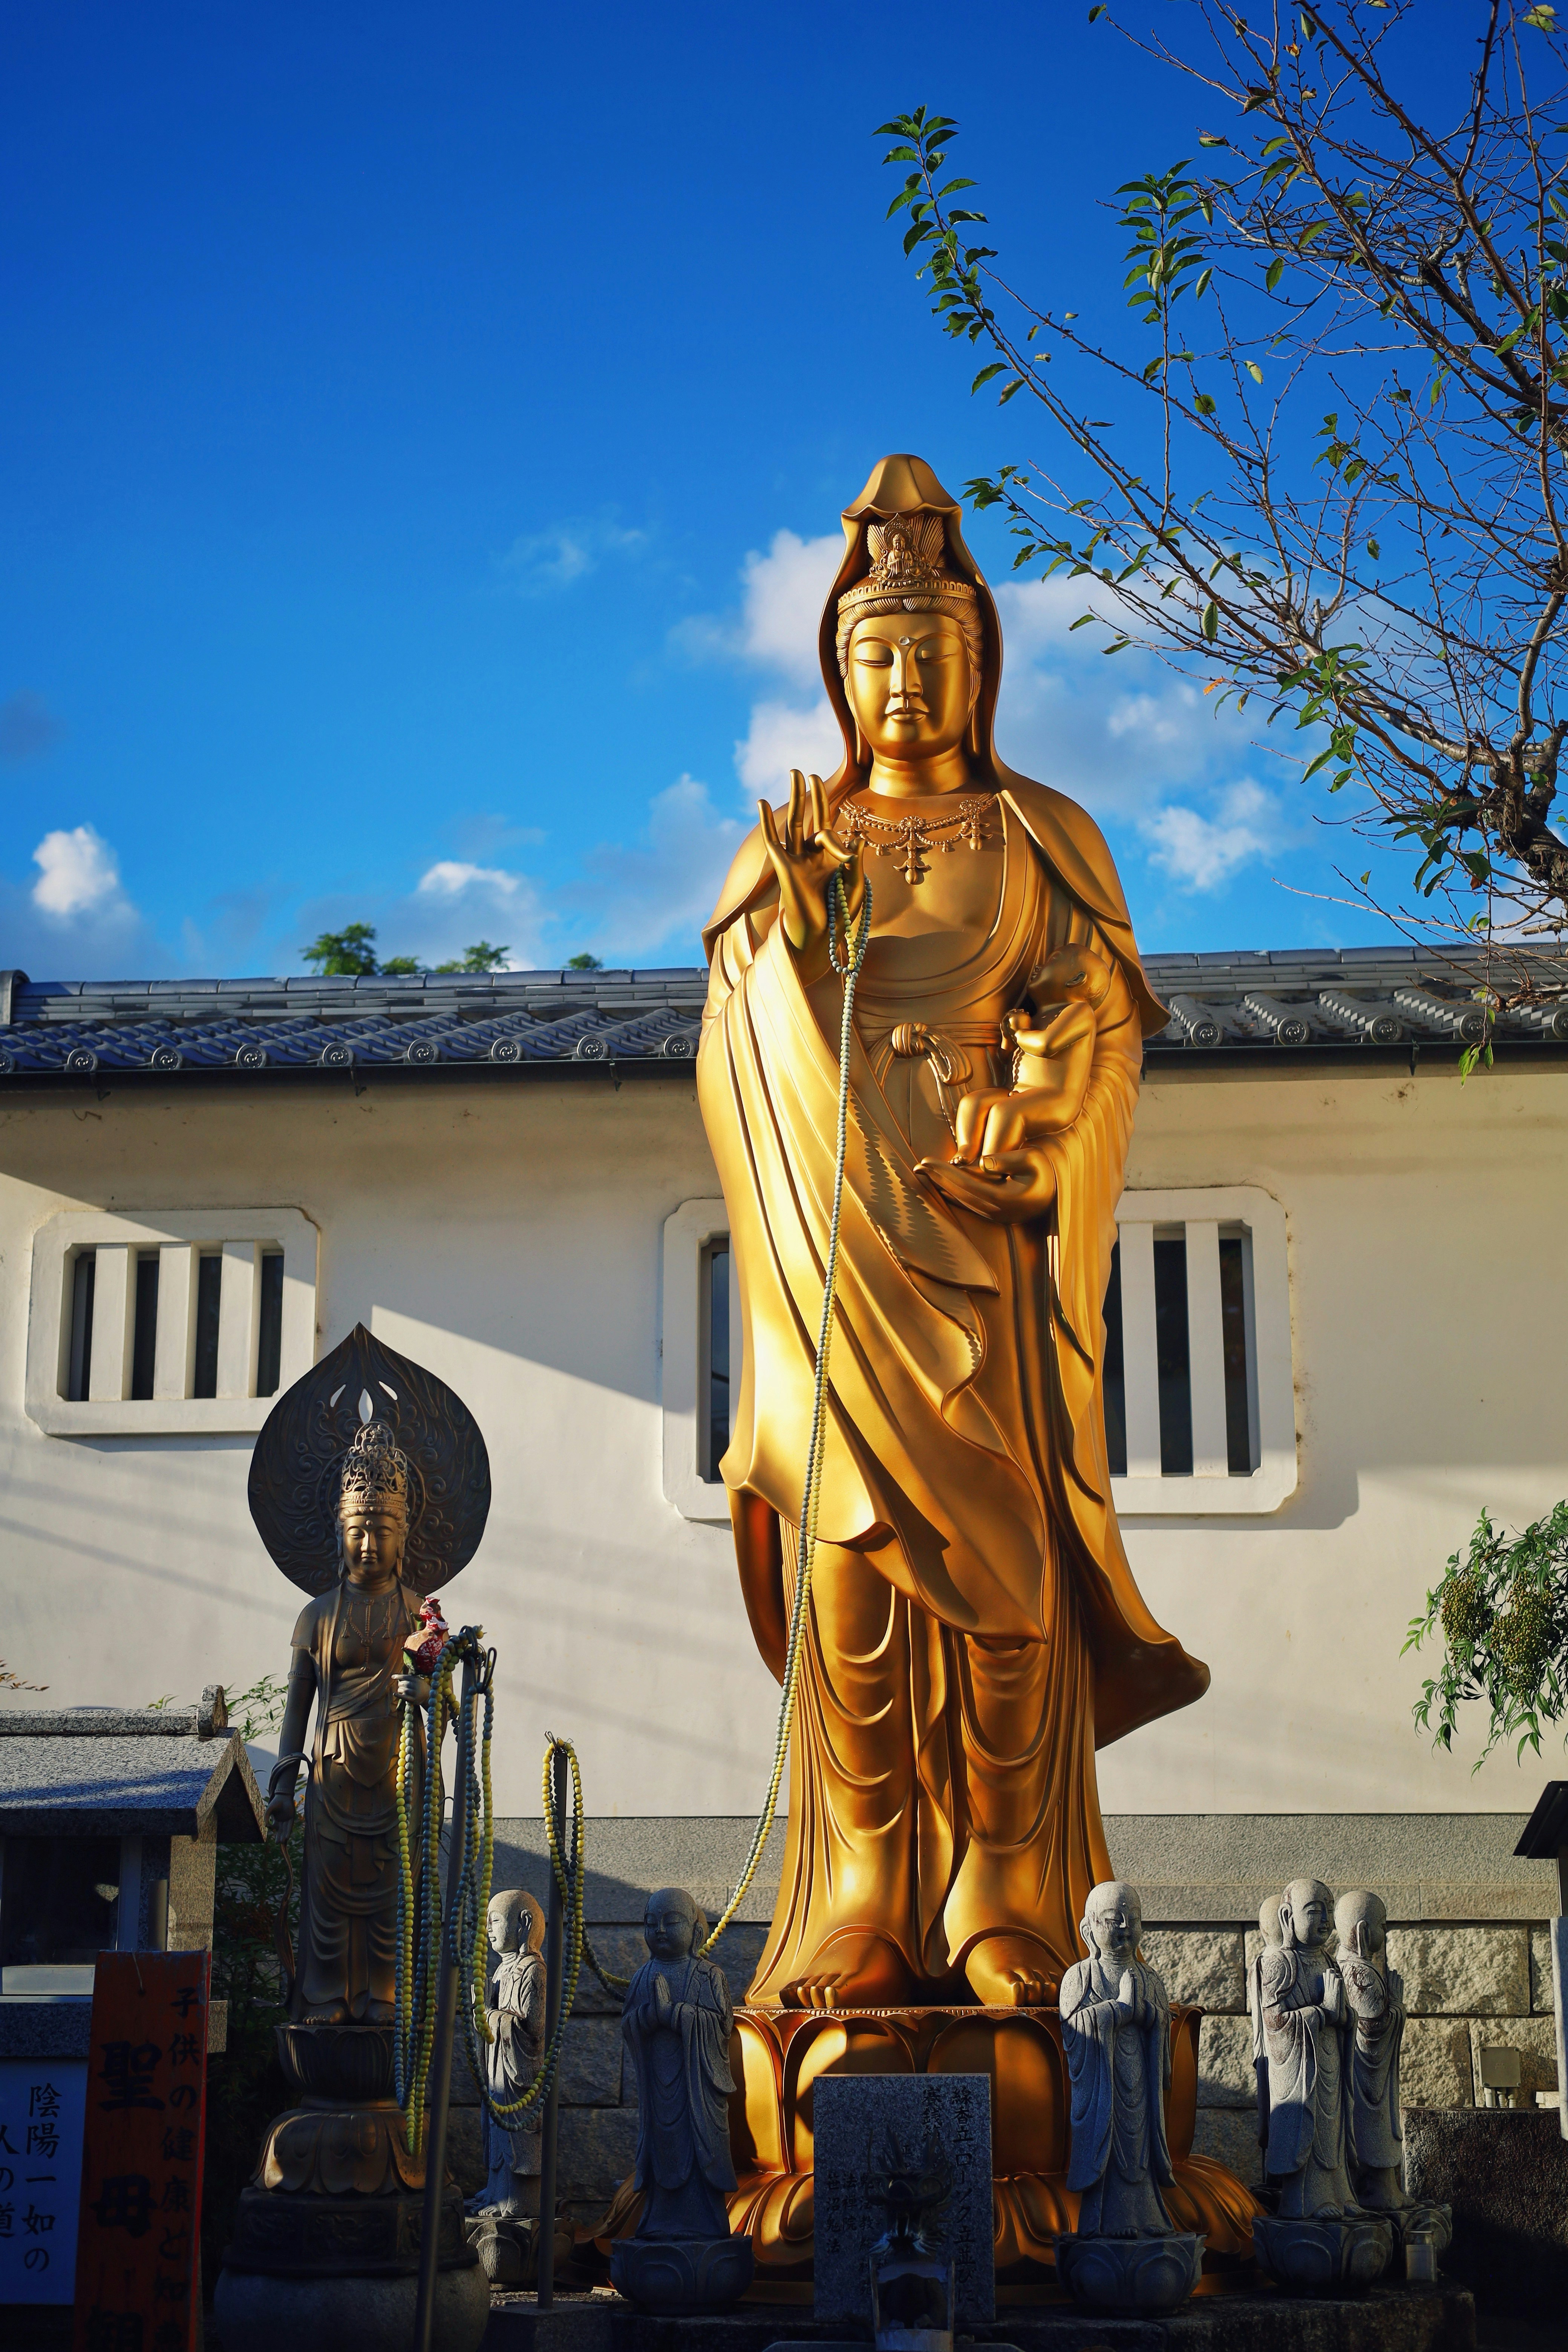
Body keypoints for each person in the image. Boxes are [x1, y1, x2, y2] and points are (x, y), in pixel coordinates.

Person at [698, 455, 1207, 2009]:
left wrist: (1044, 1117)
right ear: (837, 675)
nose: (904, 678)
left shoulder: (1038, 833)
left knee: (1001, 1573)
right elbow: (732, 1045)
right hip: (835, 1279)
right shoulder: (789, 845)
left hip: (984, 1262)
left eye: (932, 650)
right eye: (875, 654)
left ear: (976, 664)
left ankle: (1003, 1885)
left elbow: (1104, 1017)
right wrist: (784, 943)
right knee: (845, 1568)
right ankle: (860, 1881)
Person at [264, 1420, 428, 2024]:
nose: (368, 1546)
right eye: (358, 1531)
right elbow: (295, 1709)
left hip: (396, 1774)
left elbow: (450, 1707)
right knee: (327, 1901)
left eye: (380, 1532)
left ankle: (381, 1995)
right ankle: (327, 1994)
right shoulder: (316, 1616)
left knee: (388, 1898)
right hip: (331, 1775)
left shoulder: (420, 1615)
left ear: (402, 1535)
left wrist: (429, 1691)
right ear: (340, 1533)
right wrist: (283, 1786)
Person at [621, 1888, 738, 2241]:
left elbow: (723, 2026)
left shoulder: (708, 1975)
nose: (659, 1930)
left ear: (696, 1933)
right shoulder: (643, 1976)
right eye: (651, 1923)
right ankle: (658, 2223)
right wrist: (647, 2018)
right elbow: (629, 2025)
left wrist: (676, 2014)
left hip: (696, 2090)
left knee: (698, 2151)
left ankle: (704, 2225)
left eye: (671, 1923)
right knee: (661, 2151)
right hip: (658, 2089)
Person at [1060, 1881, 1175, 2236]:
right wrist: (1119, 2009)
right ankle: (1108, 2221)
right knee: (1110, 2146)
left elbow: (1163, 2025)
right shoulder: (1080, 1976)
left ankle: (1148, 2216)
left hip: (1140, 2079)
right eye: (1114, 1920)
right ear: (1089, 1929)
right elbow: (1074, 2028)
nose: (1126, 1928)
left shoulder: (1150, 1977)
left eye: (1134, 1920)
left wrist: (1151, 2017)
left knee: (1139, 2142)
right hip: (1103, 2087)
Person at [1260, 1879, 1358, 2218]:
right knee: (1311, 2129)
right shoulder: (1280, 1964)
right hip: (1300, 2069)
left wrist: (1344, 2015)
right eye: (1315, 1911)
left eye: (1329, 1911)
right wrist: (1324, 2012)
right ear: (1288, 1917)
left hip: (1330, 2058)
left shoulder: (1330, 1962)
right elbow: (1275, 2024)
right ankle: (1309, 2201)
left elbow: (1344, 2016)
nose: (1325, 1919)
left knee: (1332, 2129)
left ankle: (1339, 2194)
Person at [471, 1888, 546, 2218]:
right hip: (498, 2070)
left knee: (517, 2132)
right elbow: (493, 2028)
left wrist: (489, 2013)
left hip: (519, 2073)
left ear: (525, 1924)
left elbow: (533, 2031)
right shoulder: (502, 1970)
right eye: (487, 1922)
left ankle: (516, 2202)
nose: (488, 1928)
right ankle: (496, 2192)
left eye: (496, 1921)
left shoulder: (533, 1970)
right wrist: (481, 2014)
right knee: (496, 2127)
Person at [1334, 1889, 1409, 2211]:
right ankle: (1381, 2191)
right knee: (1376, 2126)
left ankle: (1379, 2188)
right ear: (1364, 1931)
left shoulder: (1345, 1966)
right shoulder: (1359, 1972)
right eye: (1382, 1924)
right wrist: (1398, 2005)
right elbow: (1373, 2030)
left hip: (1357, 2072)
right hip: (1368, 2076)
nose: (1386, 1931)